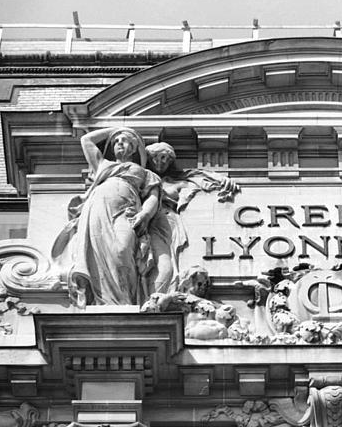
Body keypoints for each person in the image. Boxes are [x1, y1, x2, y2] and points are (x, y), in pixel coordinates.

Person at [52, 127, 161, 307]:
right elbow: (86, 140)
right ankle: (106, 302)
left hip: (128, 213)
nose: (119, 144)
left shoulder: (144, 172)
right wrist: (117, 129)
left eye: (124, 141)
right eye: (116, 141)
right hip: (98, 209)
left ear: (134, 148)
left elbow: (153, 197)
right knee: (98, 252)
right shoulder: (104, 166)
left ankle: (124, 299)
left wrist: (145, 214)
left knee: (122, 250)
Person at [145, 142, 239, 294]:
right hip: (149, 223)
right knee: (160, 265)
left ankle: (160, 297)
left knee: (169, 264)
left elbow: (200, 180)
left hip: (168, 222)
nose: (161, 162)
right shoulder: (141, 178)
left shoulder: (177, 181)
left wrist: (222, 180)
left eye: (166, 159)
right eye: (158, 157)